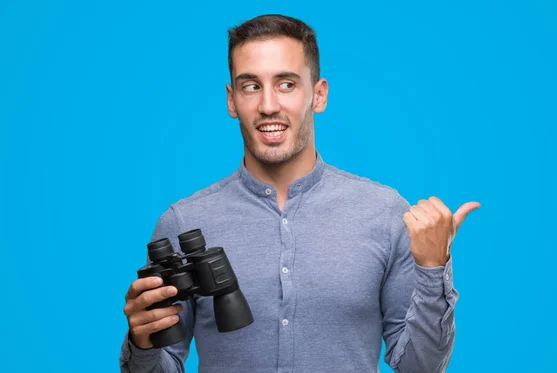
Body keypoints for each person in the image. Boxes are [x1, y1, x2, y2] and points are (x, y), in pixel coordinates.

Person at [119, 14, 480, 373]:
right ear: (232, 101)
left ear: (318, 94)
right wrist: (141, 341)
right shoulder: (184, 222)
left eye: (287, 84)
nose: (268, 105)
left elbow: (421, 368)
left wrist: (433, 270)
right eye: (250, 86)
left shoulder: (385, 213)